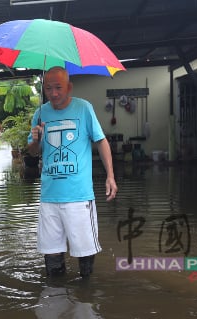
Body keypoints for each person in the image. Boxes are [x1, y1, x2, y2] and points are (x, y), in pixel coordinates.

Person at [27, 66, 118, 278]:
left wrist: (110, 175)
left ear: (69, 87)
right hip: (49, 196)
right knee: (52, 257)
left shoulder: (84, 109)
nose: (54, 93)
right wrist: (36, 140)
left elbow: (101, 141)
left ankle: (85, 299)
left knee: (85, 256)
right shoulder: (40, 114)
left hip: (79, 196)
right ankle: (56, 299)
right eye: (48, 88)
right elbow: (33, 152)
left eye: (58, 87)